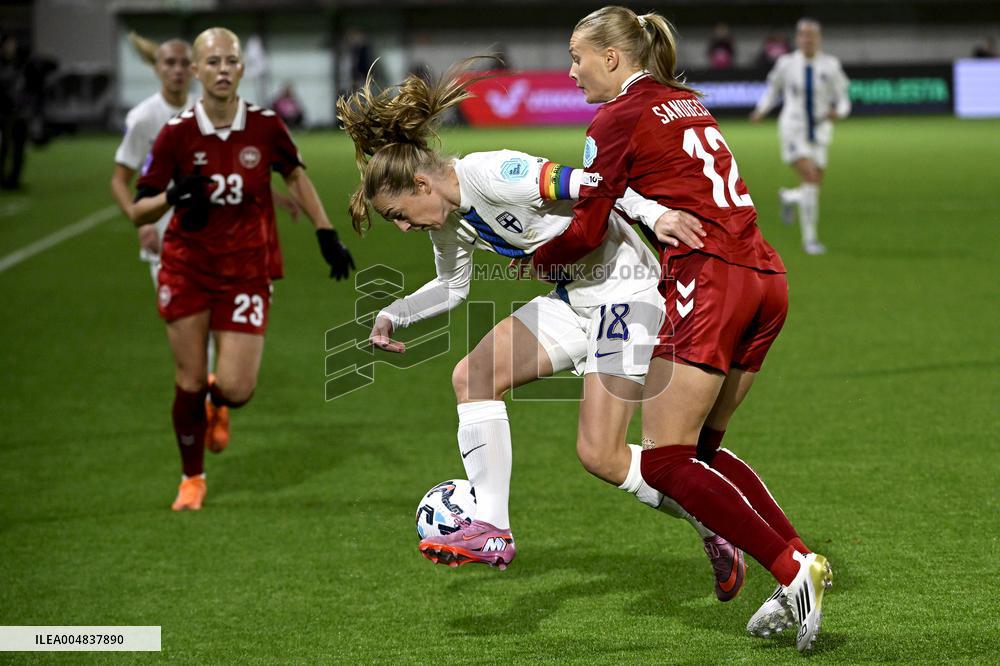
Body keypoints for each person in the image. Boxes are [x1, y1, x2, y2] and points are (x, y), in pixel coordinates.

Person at [338, 62, 748, 601]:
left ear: (420, 183)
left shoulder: (492, 174)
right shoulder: (450, 218)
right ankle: (493, 526)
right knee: (473, 376)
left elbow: (593, 186)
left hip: (627, 295)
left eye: (399, 213)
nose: (403, 226)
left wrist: (654, 216)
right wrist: (395, 312)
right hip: (573, 300)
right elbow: (451, 287)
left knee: (600, 455)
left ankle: (714, 526)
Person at [529, 6, 832, 652]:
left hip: (711, 281)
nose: (572, 69)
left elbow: (586, 230)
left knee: (665, 460)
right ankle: (804, 561)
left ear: (613, 58)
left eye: (578, 56)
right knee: (702, 456)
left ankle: (790, 569)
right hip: (764, 277)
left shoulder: (612, 119)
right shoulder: (685, 102)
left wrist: (533, 262)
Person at [131, 27, 355, 512]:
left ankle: (218, 404)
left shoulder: (266, 126)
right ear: (196, 72)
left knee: (237, 388)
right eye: (211, 62)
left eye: (230, 60)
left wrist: (324, 231)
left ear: (243, 68)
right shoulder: (176, 134)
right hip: (186, 268)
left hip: (248, 269)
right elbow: (138, 209)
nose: (223, 70)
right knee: (189, 379)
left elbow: (295, 173)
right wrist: (170, 196)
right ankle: (192, 478)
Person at [112, 34, 300, 455]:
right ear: (160, 69)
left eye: (183, 63)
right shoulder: (148, 118)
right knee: (192, 369)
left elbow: (236, 170)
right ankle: (192, 471)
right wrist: (140, 219)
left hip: (232, 249)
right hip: (171, 242)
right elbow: (125, 179)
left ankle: (221, 401)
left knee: (227, 370)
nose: (178, 70)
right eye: (170, 63)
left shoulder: (225, 112)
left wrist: (277, 197)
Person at [751, 18, 850, 255]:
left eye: (812, 35)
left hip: (820, 131)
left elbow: (844, 98)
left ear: (819, 38)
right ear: (798, 39)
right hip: (793, 128)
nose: (808, 39)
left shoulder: (831, 65)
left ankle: (789, 197)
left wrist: (840, 112)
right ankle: (810, 240)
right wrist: (761, 109)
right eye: (804, 35)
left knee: (813, 185)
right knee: (810, 176)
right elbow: (773, 90)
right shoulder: (786, 64)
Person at [0, 34, 29, 190]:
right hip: (4, 114)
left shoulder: (19, 64)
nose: (12, 47)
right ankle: (3, 178)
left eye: (13, 44)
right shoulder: (3, 66)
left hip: (19, 113)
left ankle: (14, 179)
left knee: (19, 147)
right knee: (4, 147)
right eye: (8, 44)